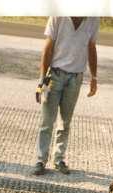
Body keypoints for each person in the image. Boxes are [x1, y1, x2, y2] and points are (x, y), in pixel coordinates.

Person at [33, 17, 99, 176]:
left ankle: (59, 159)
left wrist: (94, 77)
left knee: (65, 122)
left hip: (75, 78)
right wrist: (42, 79)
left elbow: (91, 47)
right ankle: (41, 160)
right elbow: (48, 47)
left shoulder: (93, 19)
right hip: (54, 75)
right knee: (47, 121)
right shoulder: (58, 15)